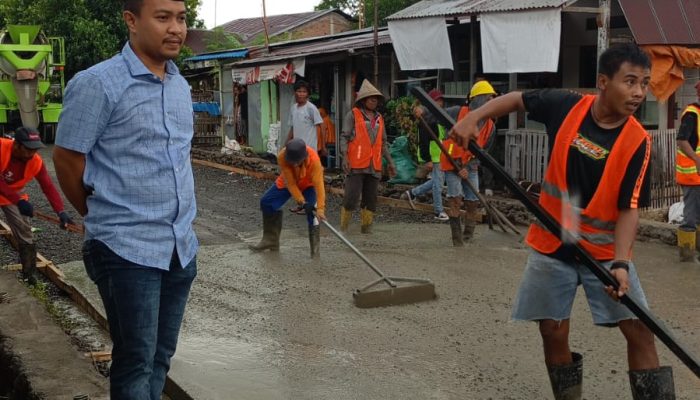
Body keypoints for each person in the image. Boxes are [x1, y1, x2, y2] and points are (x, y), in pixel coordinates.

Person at [452, 44, 675, 399]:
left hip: (604, 250)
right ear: (603, 82)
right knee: (552, 329)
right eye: (630, 81)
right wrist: (472, 118)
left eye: (645, 83)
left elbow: (629, 208)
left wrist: (621, 263)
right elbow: (516, 100)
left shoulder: (638, 142)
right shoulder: (567, 106)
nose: (638, 92)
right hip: (554, 235)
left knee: (638, 328)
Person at [52, 0, 198, 398]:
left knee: (161, 357)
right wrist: (95, 212)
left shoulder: (180, 85)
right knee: (135, 360)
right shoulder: (99, 83)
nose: (176, 29)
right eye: (163, 17)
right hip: (125, 248)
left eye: (181, 18)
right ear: (131, 21)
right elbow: (66, 157)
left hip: (179, 246)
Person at [0, 126, 74, 284]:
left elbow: (48, 187)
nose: (31, 154)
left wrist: (61, 211)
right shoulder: (1, 148)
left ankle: (29, 274)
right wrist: (18, 200)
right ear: (16, 144)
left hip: (10, 196)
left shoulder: (35, 161)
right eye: (28, 149)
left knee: (25, 232)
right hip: (11, 195)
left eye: (34, 150)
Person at [440, 81, 497, 246]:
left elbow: (483, 152)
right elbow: (435, 115)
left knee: (473, 202)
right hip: (452, 165)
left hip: (470, 166)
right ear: (477, 99)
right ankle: (457, 241)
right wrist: (422, 110)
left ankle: (468, 237)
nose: (490, 103)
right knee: (455, 200)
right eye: (488, 99)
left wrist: (467, 166)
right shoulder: (457, 112)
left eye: (492, 99)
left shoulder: (490, 126)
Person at [249, 138, 326, 257]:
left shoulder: (315, 161)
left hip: (308, 184)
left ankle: (315, 252)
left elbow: (319, 186)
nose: (294, 164)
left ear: (304, 157)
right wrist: (302, 202)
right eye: (292, 161)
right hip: (289, 181)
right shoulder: (282, 156)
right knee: (266, 202)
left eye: (297, 162)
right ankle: (271, 241)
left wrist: (320, 209)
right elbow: (291, 184)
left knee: (314, 215)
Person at [340, 79, 397, 233]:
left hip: (374, 166)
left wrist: (391, 162)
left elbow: (383, 143)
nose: (374, 100)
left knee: (370, 200)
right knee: (351, 198)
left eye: (376, 98)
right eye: (371, 98)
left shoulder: (379, 118)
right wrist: (345, 156)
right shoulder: (353, 115)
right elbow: (344, 136)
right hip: (356, 164)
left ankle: (366, 229)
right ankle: (343, 228)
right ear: (364, 100)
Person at [401, 89, 448, 221]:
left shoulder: (437, 117)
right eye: (437, 100)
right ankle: (438, 211)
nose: (440, 103)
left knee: (437, 181)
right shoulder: (428, 118)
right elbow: (423, 140)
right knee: (438, 183)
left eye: (441, 100)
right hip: (433, 156)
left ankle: (412, 193)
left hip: (439, 155)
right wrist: (427, 159)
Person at [674, 80, 700, 262]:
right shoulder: (691, 114)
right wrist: (696, 159)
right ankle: (687, 257)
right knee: (691, 217)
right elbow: (682, 140)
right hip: (692, 174)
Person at [286, 80, 323, 152]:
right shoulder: (293, 108)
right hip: (297, 148)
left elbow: (322, 126)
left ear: (307, 94)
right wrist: (286, 144)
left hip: (309, 148)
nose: (301, 94)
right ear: (295, 93)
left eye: (304, 92)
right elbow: (292, 129)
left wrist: (323, 146)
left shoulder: (311, 108)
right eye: (299, 91)